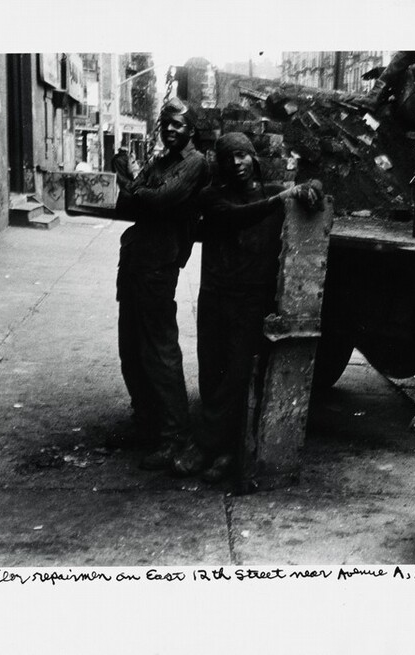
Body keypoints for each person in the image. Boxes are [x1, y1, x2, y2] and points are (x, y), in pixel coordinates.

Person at [171, 132, 323, 481]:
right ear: (220, 166)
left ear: (253, 159)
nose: (236, 164)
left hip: (250, 299)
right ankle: (218, 449)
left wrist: (309, 186)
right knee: (212, 373)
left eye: (242, 156)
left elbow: (312, 183)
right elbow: (239, 216)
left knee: (238, 376)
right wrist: (284, 197)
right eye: (229, 158)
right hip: (215, 296)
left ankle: (214, 449)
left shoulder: (270, 194)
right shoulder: (212, 198)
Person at [112, 98, 210, 470]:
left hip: (159, 266)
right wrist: (134, 190)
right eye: (166, 123)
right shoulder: (160, 161)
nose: (170, 129)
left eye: (178, 124)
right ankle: (147, 424)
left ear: (191, 129)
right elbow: (129, 204)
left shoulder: (194, 163)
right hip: (136, 262)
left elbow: (158, 200)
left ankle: (175, 437)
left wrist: (131, 188)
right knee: (132, 349)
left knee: (159, 352)